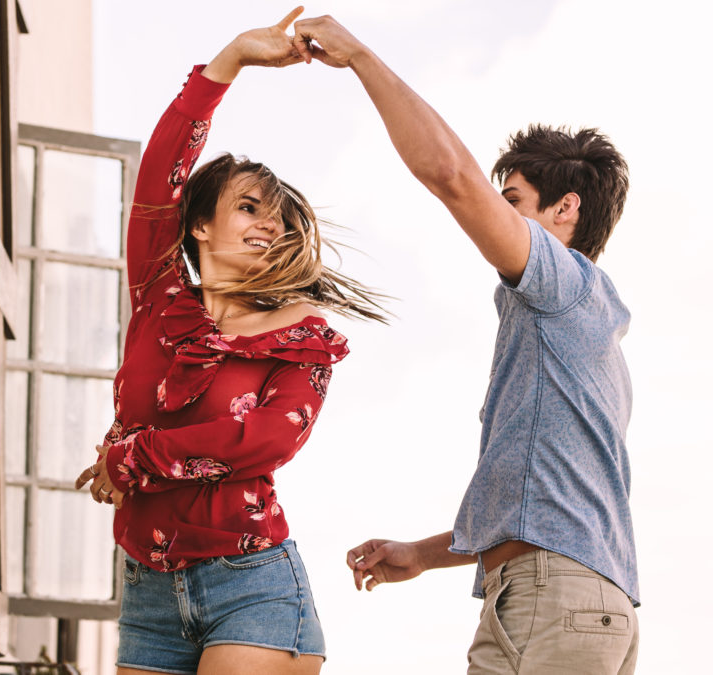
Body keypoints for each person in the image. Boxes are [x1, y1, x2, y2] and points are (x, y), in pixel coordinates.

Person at [288, 14, 639, 675]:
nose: (496, 215)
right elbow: (542, 504)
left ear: (565, 211)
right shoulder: (589, 337)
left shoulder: (560, 282)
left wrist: (361, 55)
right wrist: (424, 553)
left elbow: (449, 174)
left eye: (512, 201)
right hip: (593, 607)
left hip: (550, 600)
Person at [73, 8, 385, 675]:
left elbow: (268, 438)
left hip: (253, 588)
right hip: (149, 593)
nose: (267, 224)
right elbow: (160, 174)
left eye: (275, 214)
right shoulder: (159, 300)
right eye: (248, 206)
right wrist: (232, 59)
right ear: (199, 228)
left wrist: (136, 456)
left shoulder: (303, 340)